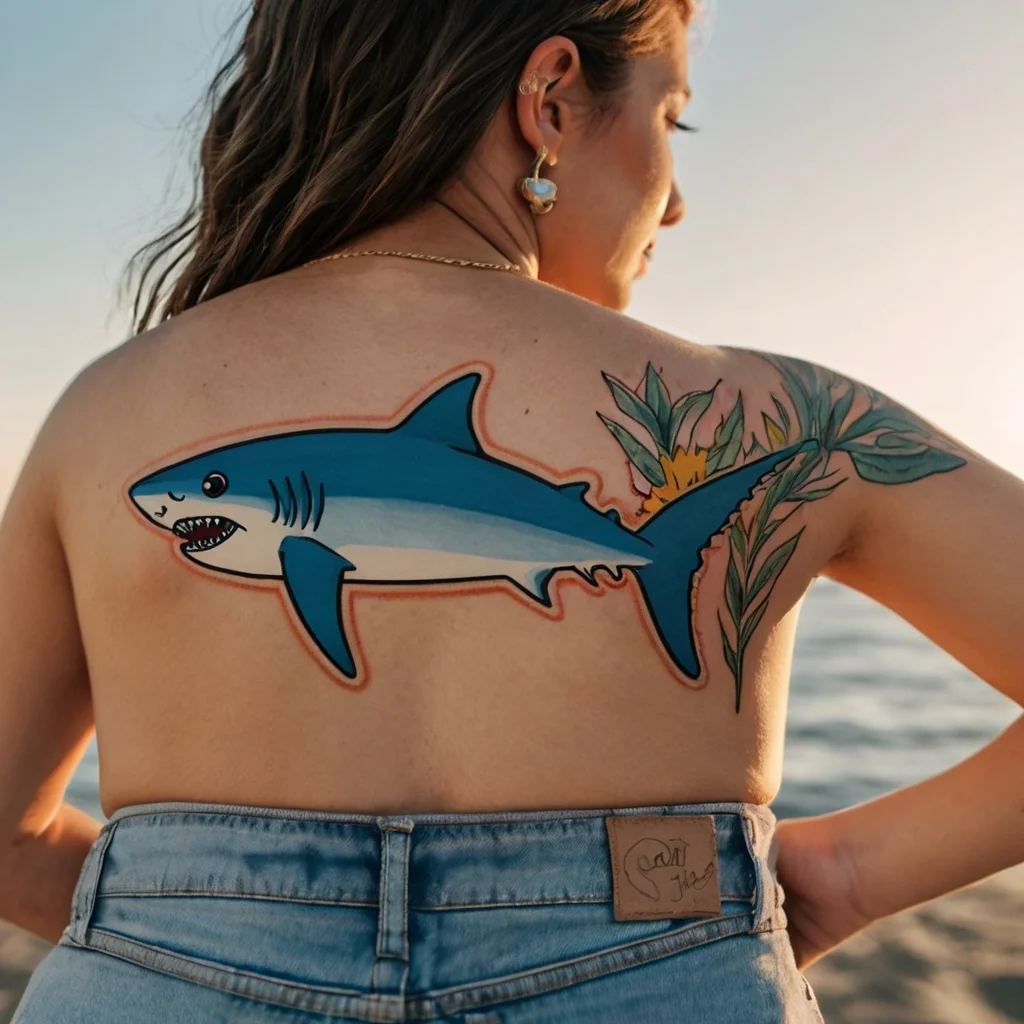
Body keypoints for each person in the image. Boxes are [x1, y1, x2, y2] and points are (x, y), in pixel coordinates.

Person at [2, 1, 1021, 1020]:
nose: (673, 208)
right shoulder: (782, 423)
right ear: (550, 98)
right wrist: (844, 875)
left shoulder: (105, 413)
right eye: (673, 120)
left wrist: (187, 921)